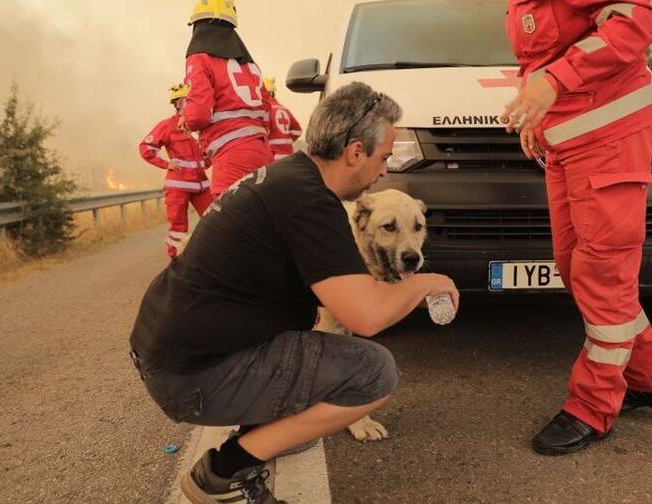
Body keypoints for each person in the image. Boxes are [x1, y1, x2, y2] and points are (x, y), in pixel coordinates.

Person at [129, 82, 459, 504]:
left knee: (312, 344)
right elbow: (366, 318)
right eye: (384, 157)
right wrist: (429, 281)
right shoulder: (311, 204)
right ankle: (223, 473)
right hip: (188, 378)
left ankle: (264, 425)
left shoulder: (289, 179)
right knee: (373, 371)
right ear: (355, 152)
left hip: (170, 354)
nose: (383, 171)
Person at [500, 0, 652, 456]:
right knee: (576, 266)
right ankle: (648, 378)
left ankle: (592, 408)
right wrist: (538, 110)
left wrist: (556, 84)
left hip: (612, 140)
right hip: (568, 145)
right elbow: (544, 58)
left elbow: (636, 20)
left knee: (602, 274)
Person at [181, 0, 274, 199]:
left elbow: (198, 115)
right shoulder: (250, 65)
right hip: (262, 152)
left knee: (230, 227)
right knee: (263, 222)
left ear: (198, 27)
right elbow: (266, 109)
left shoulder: (199, 58)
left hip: (232, 156)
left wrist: (186, 120)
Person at [139, 83, 213, 258]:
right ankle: (176, 261)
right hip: (178, 186)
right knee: (178, 228)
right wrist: (166, 164)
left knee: (215, 218)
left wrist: (206, 161)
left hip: (201, 185)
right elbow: (145, 148)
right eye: (189, 100)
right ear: (179, 104)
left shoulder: (201, 125)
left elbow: (208, 151)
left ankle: (213, 256)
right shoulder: (167, 125)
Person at [263, 77, 303, 161]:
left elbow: (264, 134)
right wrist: (285, 139)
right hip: (288, 157)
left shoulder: (265, 111)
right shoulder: (284, 109)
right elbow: (298, 131)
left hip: (273, 158)